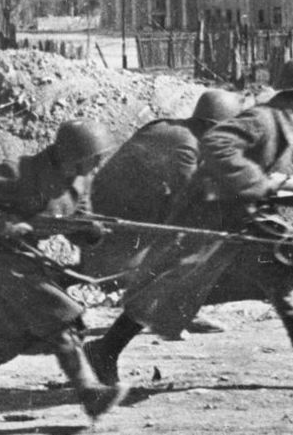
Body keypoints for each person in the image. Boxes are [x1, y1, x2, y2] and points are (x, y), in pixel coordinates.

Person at [83, 57, 293, 388]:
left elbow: (273, 182)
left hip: (242, 221)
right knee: (166, 285)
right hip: (208, 220)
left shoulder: (283, 127)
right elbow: (217, 145)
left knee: (280, 274)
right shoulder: (262, 120)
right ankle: (104, 351)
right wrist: (265, 185)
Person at [0, 119, 127, 426]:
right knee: (61, 319)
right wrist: (5, 226)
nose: (100, 164)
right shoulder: (21, 172)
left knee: (8, 340)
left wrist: (91, 231)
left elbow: (72, 221)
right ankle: (90, 394)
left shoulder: (80, 181)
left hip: (21, 257)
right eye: (95, 157)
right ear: (75, 155)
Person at [81, 89, 244, 383]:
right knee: (184, 265)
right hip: (115, 225)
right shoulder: (186, 145)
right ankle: (108, 347)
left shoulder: (175, 130)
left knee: (187, 259)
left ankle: (170, 313)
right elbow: (194, 200)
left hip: (126, 214)